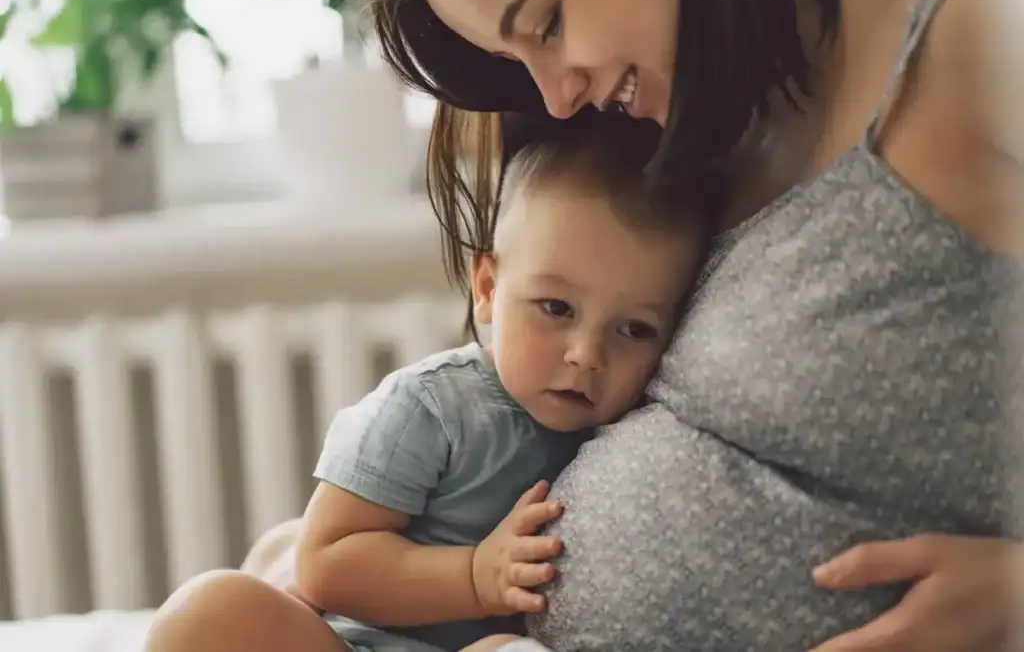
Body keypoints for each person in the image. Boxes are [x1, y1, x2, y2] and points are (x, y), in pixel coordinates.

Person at [145, 0, 1024, 650]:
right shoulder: (689, 121)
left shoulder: (965, 28)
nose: (558, 95)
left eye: (550, 22)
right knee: (214, 611)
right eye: (515, 59)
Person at [142, 116, 710, 652]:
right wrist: (474, 576)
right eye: (556, 307)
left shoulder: (637, 431)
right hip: (349, 642)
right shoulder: (433, 406)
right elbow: (325, 560)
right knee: (208, 610)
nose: (587, 355)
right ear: (487, 286)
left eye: (634, 329)